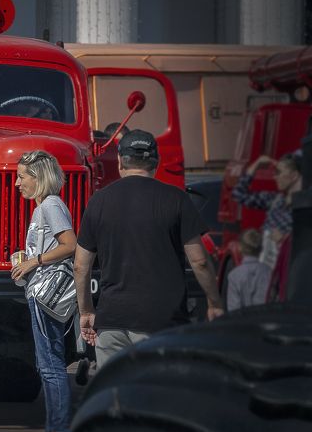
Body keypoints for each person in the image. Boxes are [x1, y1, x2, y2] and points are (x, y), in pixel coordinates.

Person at [73, 129, 224, 368]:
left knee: (113, 398)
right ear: (157, 162)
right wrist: (214, 303)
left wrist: (86, 311)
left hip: (112, 319)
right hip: (162, 321)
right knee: (157, 396)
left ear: (121, 161)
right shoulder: (176, 199)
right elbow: (200, 261)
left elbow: (81, 265)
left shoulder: (99, 201)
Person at [10, 151, 78, 432]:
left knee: (50, 364)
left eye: (22, 176)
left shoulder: (50, 206)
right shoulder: (46, 207)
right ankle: (56, 431)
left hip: (47, 292)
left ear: (39, 177)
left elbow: (70, 244)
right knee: (49, 363)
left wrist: (33, 262)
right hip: (41, 290)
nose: (17, 183)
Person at [232, 152, 302, 268]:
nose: (275, 176)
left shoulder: (307, 207)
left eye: (279, 172)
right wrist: (256, 165)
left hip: (288, 270)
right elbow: (238, 194)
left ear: (294, 175)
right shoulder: (275, 200)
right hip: (265, 268)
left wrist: (285, 240)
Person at [226, 229, 270, 311]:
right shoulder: (268, 272)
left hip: (243, 322)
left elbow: (233, 308)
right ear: (261, 249)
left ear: (239, 248)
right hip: (265, 319)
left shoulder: (234, 275)